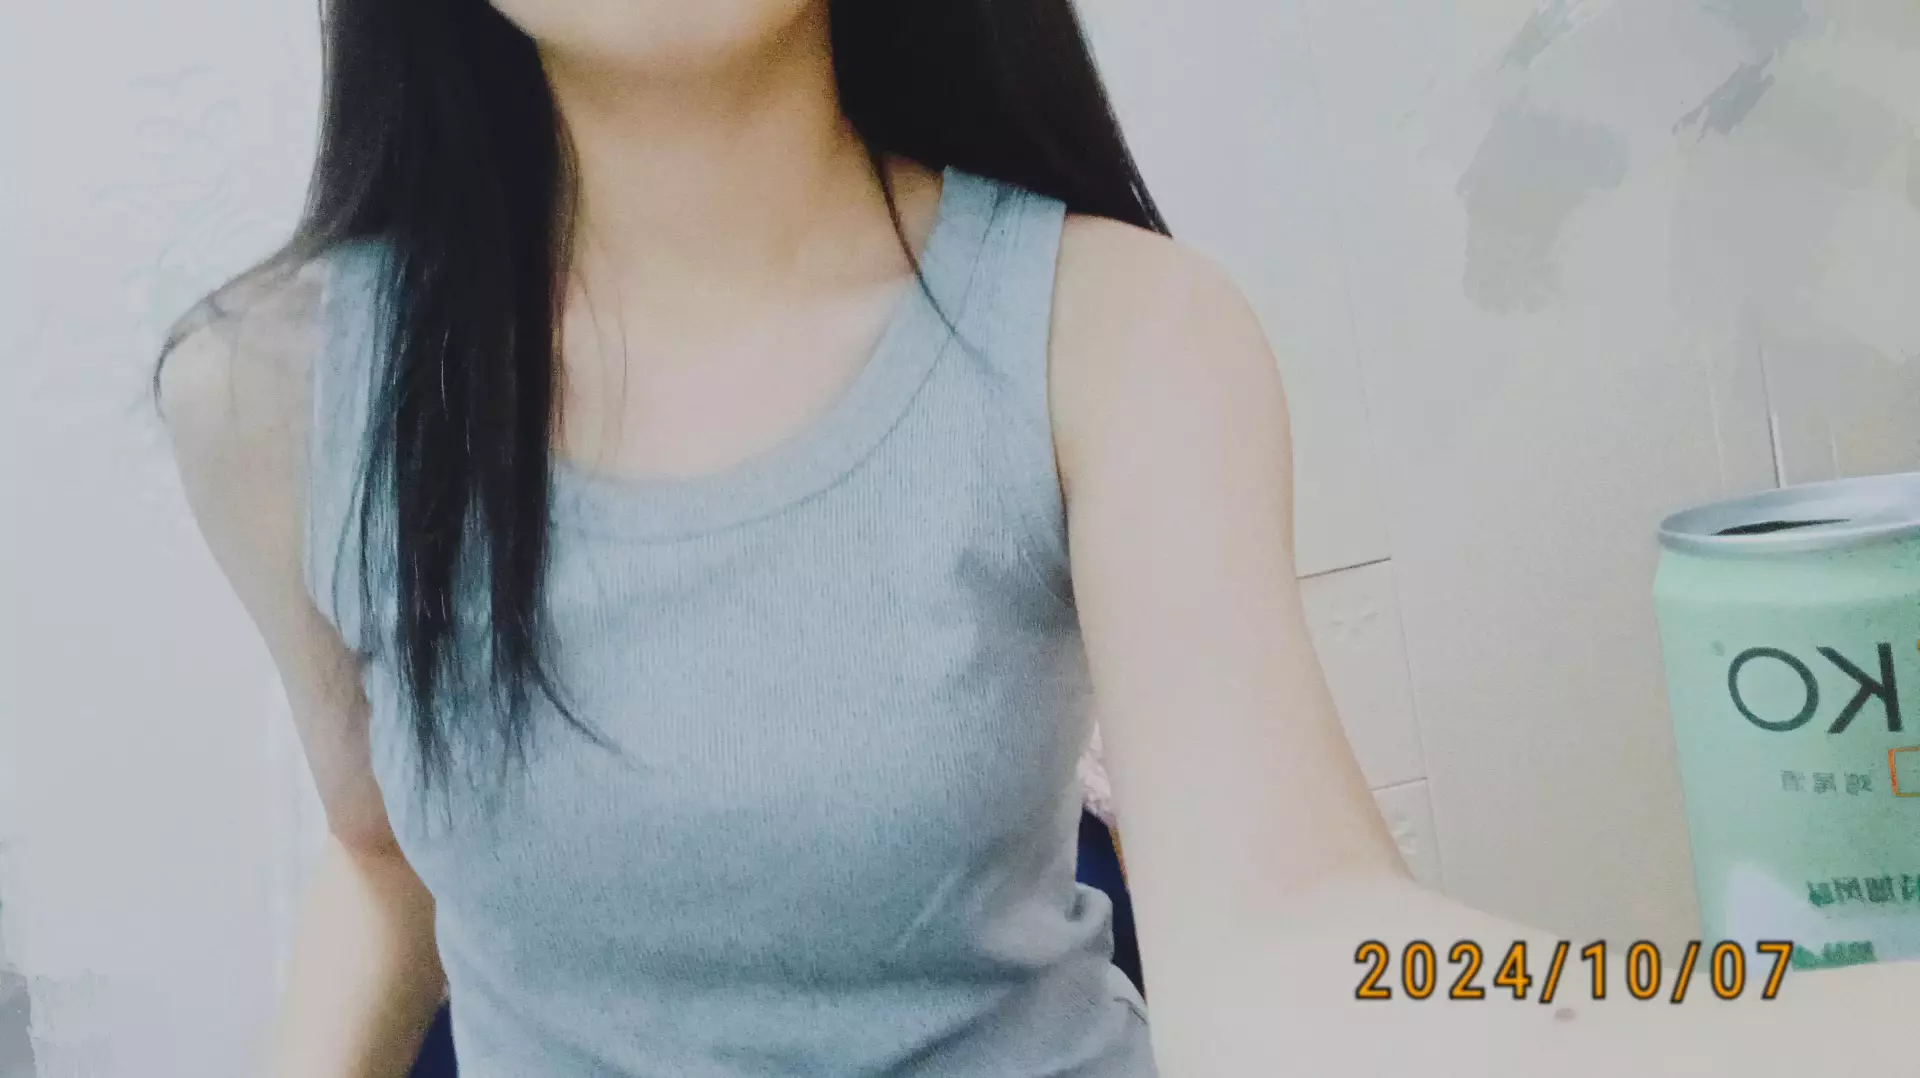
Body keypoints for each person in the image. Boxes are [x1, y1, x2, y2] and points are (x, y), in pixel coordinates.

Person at [153, 2, 1920, 1076]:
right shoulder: (272, 395)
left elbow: (1300, 941)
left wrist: (1754, 1005)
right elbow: (381, 857)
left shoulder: (1121, 335)